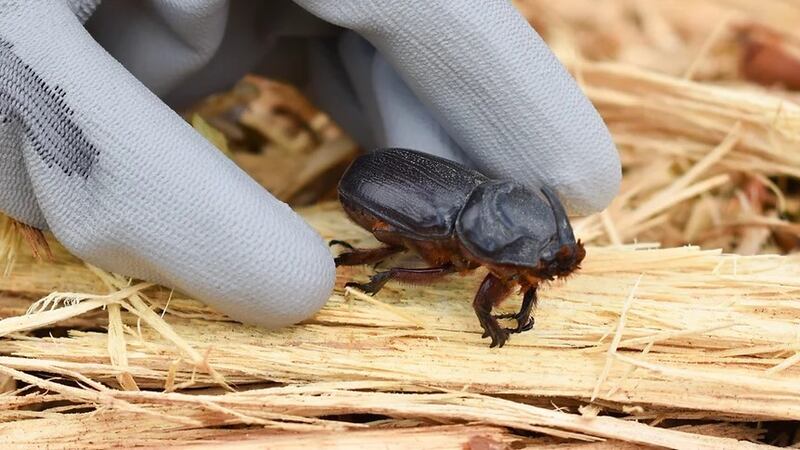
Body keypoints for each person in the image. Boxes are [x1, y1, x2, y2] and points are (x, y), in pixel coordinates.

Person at [0, 0, 620, 327]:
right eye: (544, 256)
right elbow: (480, 284)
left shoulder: (500, 234)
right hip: (381, 192)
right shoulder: (465, 249)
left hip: (406, 184)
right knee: (371, 263)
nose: (551, 258)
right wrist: (387, 274)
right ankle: (369, 267)